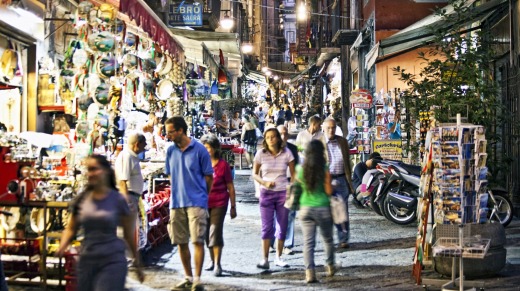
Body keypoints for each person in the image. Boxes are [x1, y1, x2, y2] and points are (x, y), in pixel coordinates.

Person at [57, 155, 145, 290]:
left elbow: (128, 234)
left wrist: (137, 263)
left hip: (112, 260)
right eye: (88, 170)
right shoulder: (81, 199)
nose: (90, 173)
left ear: (106, 171)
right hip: (87, 260)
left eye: (94, 169)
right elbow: (71, 228)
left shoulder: (118, 200)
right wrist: (62, 246)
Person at [164, 116, 214, 291]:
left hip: (196, 202)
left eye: (171, 132)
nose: (168, 135)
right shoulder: (170, 151)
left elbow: (209, 177)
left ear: (180, 130)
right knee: (180, 241)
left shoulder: (200, 150)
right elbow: (170, 174)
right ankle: (188, 277)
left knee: (197, 240)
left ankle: (198, 279)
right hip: (176, 202)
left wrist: (202, 196)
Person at [252, 127, 295, 269]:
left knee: (282, 227)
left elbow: (294, 175)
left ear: (278, 138)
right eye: (268, 137)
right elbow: (255, 173)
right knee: (266, 227)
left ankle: (278, 257)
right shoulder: (261, 154)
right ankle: (264, 259)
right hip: (266, 193)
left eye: (273, 136)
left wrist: (292, 191)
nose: (270, 139)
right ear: (265, 139)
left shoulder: (287, 153)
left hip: (283, 192)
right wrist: (264, 182)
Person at [297, 139, 336, 283]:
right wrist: (334, 187)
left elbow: (299, 187)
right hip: (323, 208)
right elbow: (328, 190)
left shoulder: (301, 169)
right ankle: (330, 266)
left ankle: (310, 274)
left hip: (305, 208)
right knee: (328, 239)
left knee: (308, 243)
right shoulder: (324, 169)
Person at [200, 134, 237, 277]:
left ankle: (218, 263)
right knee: (206, 234)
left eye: (208, 148)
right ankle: (212, 259)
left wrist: (233, 206)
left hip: (219, 202)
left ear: (215, 149)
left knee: (215, 232)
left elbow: (230, 187)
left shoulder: (223, 165)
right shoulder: (199, 164)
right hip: (203, 203)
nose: (205, 150)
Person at [322, 118, 354, 249]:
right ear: (323, 128)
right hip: (326, 180)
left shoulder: (342, 142)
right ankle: (328, 239)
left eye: (333, 127)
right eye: (329, 128)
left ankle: (343, 239)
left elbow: (348, 161)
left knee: (342, 211)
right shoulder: (319, 143)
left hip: (341, 179)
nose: (331, 130)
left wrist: (349, 180)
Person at [114, 133, 148, 254]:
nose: (145, 147)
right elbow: (122, 182)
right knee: (127, 229)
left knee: (131, 228)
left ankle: (129, 256)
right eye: (144, 144)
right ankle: (124, 257)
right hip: (128, 196)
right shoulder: (126, 156)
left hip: (133, 196)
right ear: (137, 144)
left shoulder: (132, 156)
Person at [275, 125, 299, 255]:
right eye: (281, 134)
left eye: (285, 134)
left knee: (290, 215)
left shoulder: (293, 149)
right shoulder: (270, 149)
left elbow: (298, 168)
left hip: (290, 184)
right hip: (274, 186)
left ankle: (287, 244)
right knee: (275, 214)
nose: (283, 137)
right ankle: (275, 240)